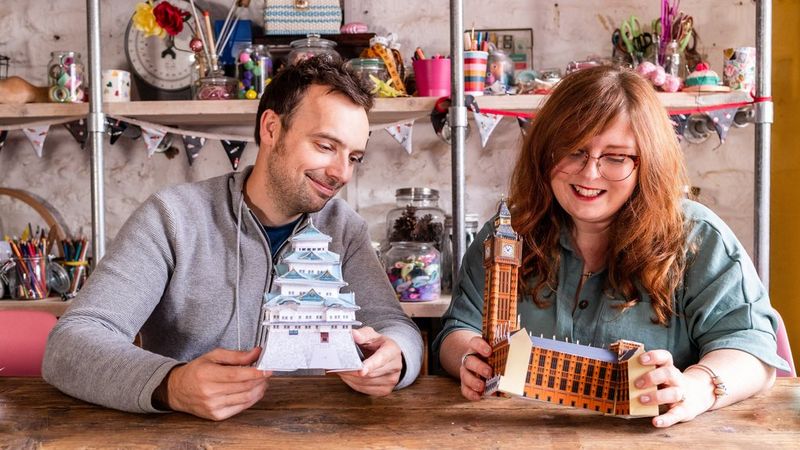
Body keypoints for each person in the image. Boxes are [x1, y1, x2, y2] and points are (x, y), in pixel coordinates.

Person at [43, 56, 423, 421]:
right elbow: (71, 344)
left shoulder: (345, 229)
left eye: (354, 157)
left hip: (310, 431)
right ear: (271, 129)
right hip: (189, 435)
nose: (341, 172)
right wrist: (171, 384)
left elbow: (399, 328)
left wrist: (396, 357)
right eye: (325, 146)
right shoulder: (172, 218)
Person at [433, 66, 789, 428]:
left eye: (616, 157)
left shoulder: (698, 236)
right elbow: (458, 328)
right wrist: (468, 358)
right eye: (573, 151)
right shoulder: (506, 233)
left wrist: (696, 386)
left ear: (646, 163)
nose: (589, 174)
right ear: (545, 152)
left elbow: (752, 348)